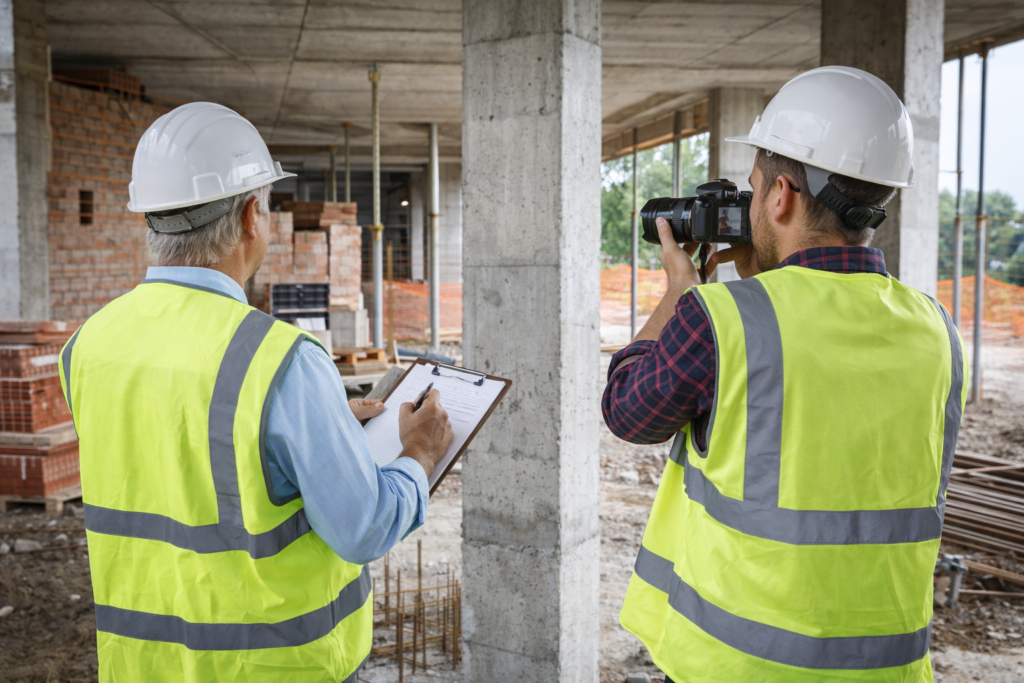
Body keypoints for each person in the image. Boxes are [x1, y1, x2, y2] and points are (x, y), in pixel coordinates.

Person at [58, 102, 454, 683]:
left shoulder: (89, 344)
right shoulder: (279, 360)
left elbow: (176, 447)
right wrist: (420, 454)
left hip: (143, 663)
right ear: (251, 216)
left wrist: (311, 422)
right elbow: (363, 528)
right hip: (270, 666)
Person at [604, 66, 966, 681]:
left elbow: (627, 411)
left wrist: (678, 292)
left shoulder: (721, 319)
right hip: (887, 668)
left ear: (781, 196)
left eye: (754, 189)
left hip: (738, 664)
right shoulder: (937, 328)